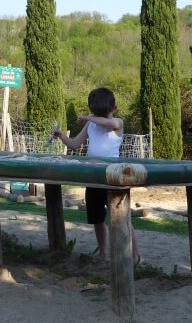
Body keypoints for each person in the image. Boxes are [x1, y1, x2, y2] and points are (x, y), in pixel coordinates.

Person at [51, 87, 140, 264]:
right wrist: (61, 135)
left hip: (112, 178)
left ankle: (135, 254)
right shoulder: (90, 124)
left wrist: (87, 117)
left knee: (122, 219)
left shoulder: (117, 123)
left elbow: (107, 123)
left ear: (114, 109)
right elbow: (75, 144)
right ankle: (103, 252)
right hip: (93, 177)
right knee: (97, 218)